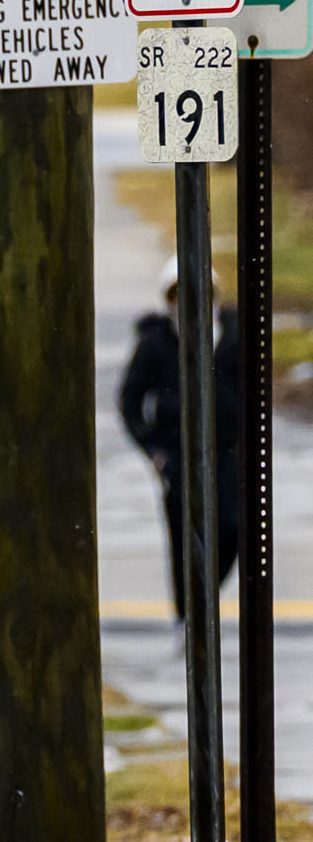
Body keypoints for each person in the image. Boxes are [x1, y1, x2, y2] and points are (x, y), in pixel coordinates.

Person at [118, 256, 246, 616]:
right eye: (178, 295)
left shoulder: (233, 335)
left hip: (226, 449)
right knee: (185, 534)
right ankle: (186, 613)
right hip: (178, 450)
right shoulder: (157, 342)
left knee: (233, 526)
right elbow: (130, 399)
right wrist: (152, 447)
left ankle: (204, 596)